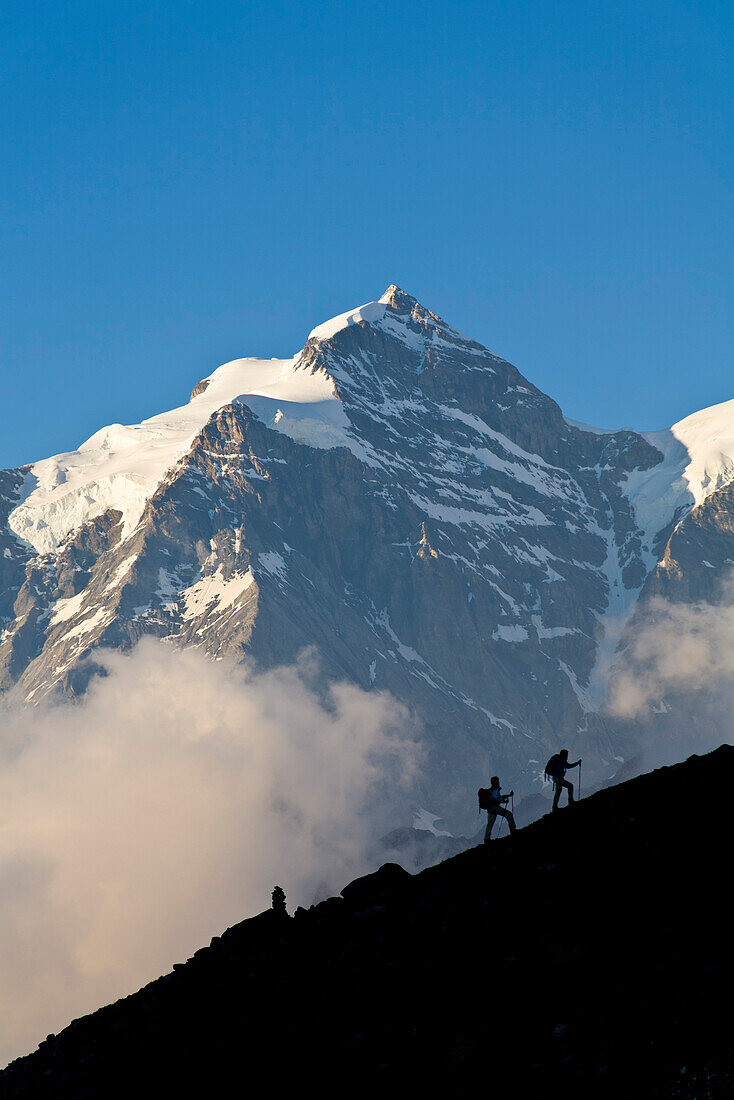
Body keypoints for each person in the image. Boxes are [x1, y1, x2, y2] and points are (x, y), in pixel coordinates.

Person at [483, 776, 516, 842]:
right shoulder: (495, 789)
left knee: (490, 824)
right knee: (508, 814)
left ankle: (486, 838)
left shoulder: (490, 790)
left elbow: (498, 797)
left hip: (490, 809)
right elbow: (497, 797)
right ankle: (513, 830)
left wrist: (508, 795)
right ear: (495, 782)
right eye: (498, 781)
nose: (499, 782)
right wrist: (504, 801)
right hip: (495, 808)